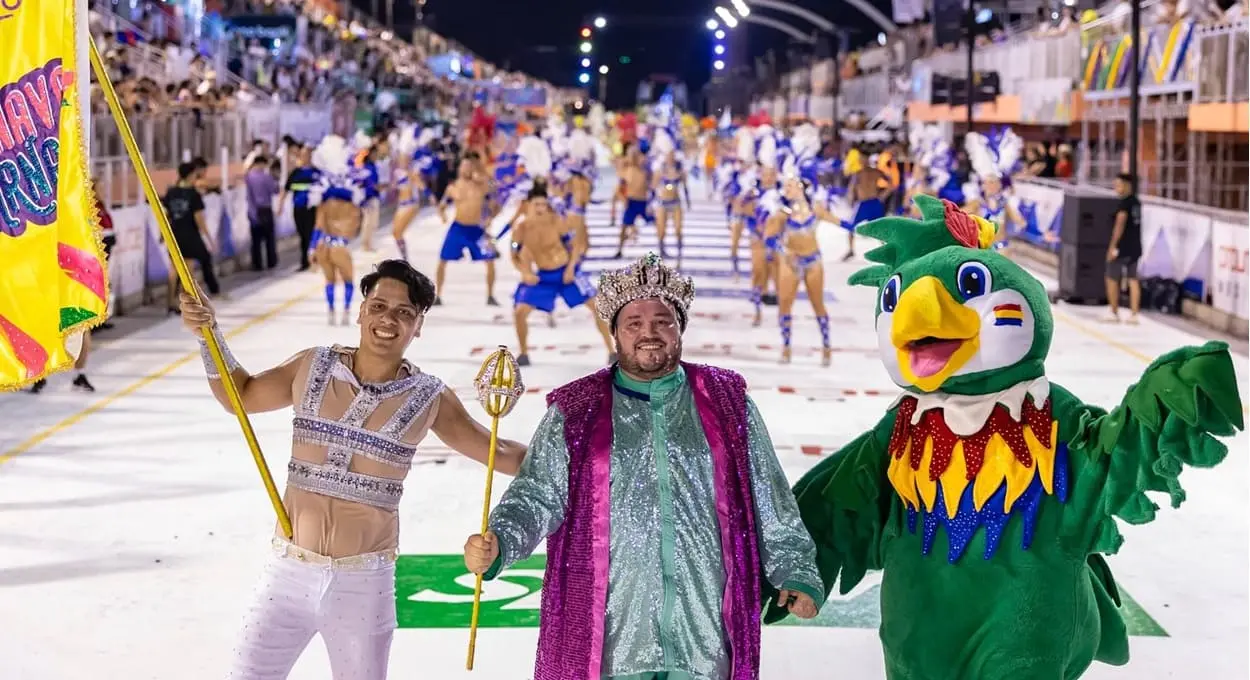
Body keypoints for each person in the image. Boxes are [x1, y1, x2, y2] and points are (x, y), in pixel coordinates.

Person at [463, 252, 824, 680]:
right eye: (633, 323)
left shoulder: (726, 400)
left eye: (662, 321)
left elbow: (769, 493)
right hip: (611, 640)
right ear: (615, 334)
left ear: (679, 329)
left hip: (707, 631)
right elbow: (537, 494)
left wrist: (795, 569)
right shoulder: (576, 409)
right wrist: (501, 541)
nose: (648, 333)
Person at [178, 259, 528, 680]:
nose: (388, 320)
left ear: (419, 325)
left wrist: (583, 453)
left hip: (363, 585)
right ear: (361, 311)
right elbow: (241, 395)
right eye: (378, 307)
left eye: (404, 312)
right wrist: (209, 334)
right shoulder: (311, 366)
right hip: (287, 576)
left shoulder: (429, 397)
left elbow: (500, 452)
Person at [510, 180, 614, 367]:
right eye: (536, 204)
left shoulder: (556, 221)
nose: (540, 208)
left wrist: (571, 267)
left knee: (597, 305)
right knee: (519, 312)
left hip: (566, 272)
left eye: (543, 204)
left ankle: (612, 351)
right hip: (543, 276)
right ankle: (524, 353)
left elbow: (575, 246)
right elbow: (514, 254)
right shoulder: (521, 229)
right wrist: (525, 272)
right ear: (528, 205)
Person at [435, 157, 499, 306]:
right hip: (458, 227)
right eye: (464, 166)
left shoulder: (482, 186)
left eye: (470, 166)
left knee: (490, 260)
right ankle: (438, 295)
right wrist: (443, 215)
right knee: (442, 260)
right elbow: (442, 205)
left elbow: (495, 202)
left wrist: (490, 217)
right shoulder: (453, 187)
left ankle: (490, 296)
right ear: (460, 169)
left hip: (477, 229)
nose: (467, 169)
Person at [164, 161, 220, 315]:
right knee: (188, 270)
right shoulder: (194, 195)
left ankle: (170, 302)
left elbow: (166, 215)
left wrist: (162, 234)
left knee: (173, 269)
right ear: (191, 175)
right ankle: (185, 304)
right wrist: (209, 238)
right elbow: (199, 219)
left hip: (174, 234)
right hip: (189, 234)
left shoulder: (171, 192)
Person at [1105, 173, 1142, 324]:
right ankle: (1134, 314)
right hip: (1135, 247)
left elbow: (1119, 226)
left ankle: (1114, 311)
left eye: (1119, 185)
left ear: (1127, 185)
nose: (1116, 187)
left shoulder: (1124, 204)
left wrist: (1112, 247)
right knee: (1133, 279)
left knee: (1112, 277)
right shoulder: (1136, 203)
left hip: (1121, 247)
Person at [280, 144, 320, 271]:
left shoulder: (316, 173)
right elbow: (285, 189)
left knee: (310, 234)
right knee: (302, 234)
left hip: (312, 209)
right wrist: (280, 206)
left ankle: (312, 260)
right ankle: (305, 261)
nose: (305, 157)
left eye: (307, 155)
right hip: (298, 209)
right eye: (303, 155)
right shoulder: (295, 173)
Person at [245, 154, 280, 271]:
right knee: (269, 238)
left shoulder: (249, 177)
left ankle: (257, 264)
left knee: (256, 240)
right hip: (266, 209)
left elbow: (249, 196)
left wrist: (251, 212)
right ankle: (271, 262)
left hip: (254, 209)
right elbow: (275, 190)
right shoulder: (267, 177)